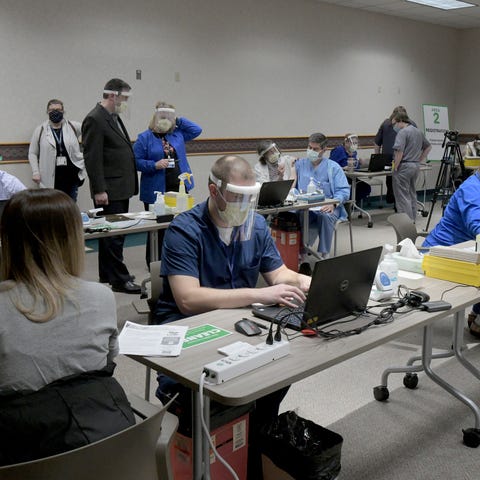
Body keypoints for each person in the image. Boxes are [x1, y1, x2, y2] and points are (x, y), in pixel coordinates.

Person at [153, 155, 311, 478]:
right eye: (237, 197)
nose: (244, 205)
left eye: (249, 197)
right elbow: (188, 298)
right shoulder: (185, 230)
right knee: (224, 391)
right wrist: (259, 294)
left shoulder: (254, 227)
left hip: (239, 328)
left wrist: (317, 282)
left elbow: (279, 274)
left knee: (280, 369)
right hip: (188, 334)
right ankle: (232, 452)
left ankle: (252, 447)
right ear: (214, 190)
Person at [0, 189, 134, 466]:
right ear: (73, 240)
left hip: (25, 459)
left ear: (7, 241)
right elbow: (107, 361)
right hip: (104, 450)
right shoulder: (102, 296)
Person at [82, 78, 140, 294]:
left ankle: (108, 273)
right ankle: (120, 279)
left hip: (119, 186)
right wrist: (99, 189)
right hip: (110, 188)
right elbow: (92, 157)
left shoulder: (112, 117)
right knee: (114, 235)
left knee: (111, 233)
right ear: (113, 95)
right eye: (125, 98)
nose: (126, 103)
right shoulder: (95, 119)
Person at [134, 101, 202, 265]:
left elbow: (197, 130)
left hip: (179, 186)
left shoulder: (177, 134)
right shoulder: (145, 137)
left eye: (168, 117)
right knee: (158, 229)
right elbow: (136, 162)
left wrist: (177, 119)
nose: (166, 120)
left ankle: (178, 258)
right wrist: (154, 165)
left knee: (181, 225)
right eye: (162, 116)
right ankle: (155, 262)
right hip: (156, 189)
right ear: (155, 117)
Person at [422, 170, 480, 337]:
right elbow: (476, 225)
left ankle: (476, 315)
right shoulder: (472, 189)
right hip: (439, 255)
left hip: (463, 253)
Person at [293, 132, 350, 259]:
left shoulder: (333, 167)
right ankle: (302, 253)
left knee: (325, 216)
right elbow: (292, 187)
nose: (311, 151)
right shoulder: (300, 165)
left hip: (329, 206)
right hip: (306, 207)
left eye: (315, 149)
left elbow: (344, 191)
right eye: (309, 148)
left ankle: (325, 254)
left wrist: (333, 203)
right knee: (298, 215)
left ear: (324, 150)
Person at [28, 99, 86, 201]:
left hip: (71, 177)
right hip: (50, 176)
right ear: (47, 112)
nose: (55, 112)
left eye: (58, 110)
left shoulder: (73, 126)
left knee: (70, 205)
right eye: (52, 110)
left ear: (63, 111)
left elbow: (91, 130)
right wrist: (35, 172)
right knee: (51, 206)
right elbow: (32, 153)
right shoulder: (40, 130)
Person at [391, 112, 431, 221]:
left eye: (394, 124)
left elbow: (399, 152)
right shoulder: (418, 131)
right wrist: (419, 159)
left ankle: (406, 221)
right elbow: (428, 147)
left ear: (400, 121)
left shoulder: (402, 133)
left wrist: (395, 166)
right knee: (411, 192)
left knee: (402, 195)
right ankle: (413, 218)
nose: (394, 127)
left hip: (404, 166)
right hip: (415, 166)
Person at [374, 106, 417, 208]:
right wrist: (377, 160)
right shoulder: (386, 124)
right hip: (393, 160)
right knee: (394, 182)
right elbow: (377, 143)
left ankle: (399, 204)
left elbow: (377, 144)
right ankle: (397, 202)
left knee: (398, 183)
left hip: (402, 160)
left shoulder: (411, 125)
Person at [329, 133, 371, 202]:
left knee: (365, 188)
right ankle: (348, 204)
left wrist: (359, 163)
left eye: (356, 143)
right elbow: (330, 166)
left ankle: (352, 203)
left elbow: (354, 166)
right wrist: (342, 168)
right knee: (355, 188)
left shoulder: (353, 152)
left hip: (351, 177)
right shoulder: (339, 150)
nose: (354, 145)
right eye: (353, 143)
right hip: (340, 177)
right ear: (346, 142)